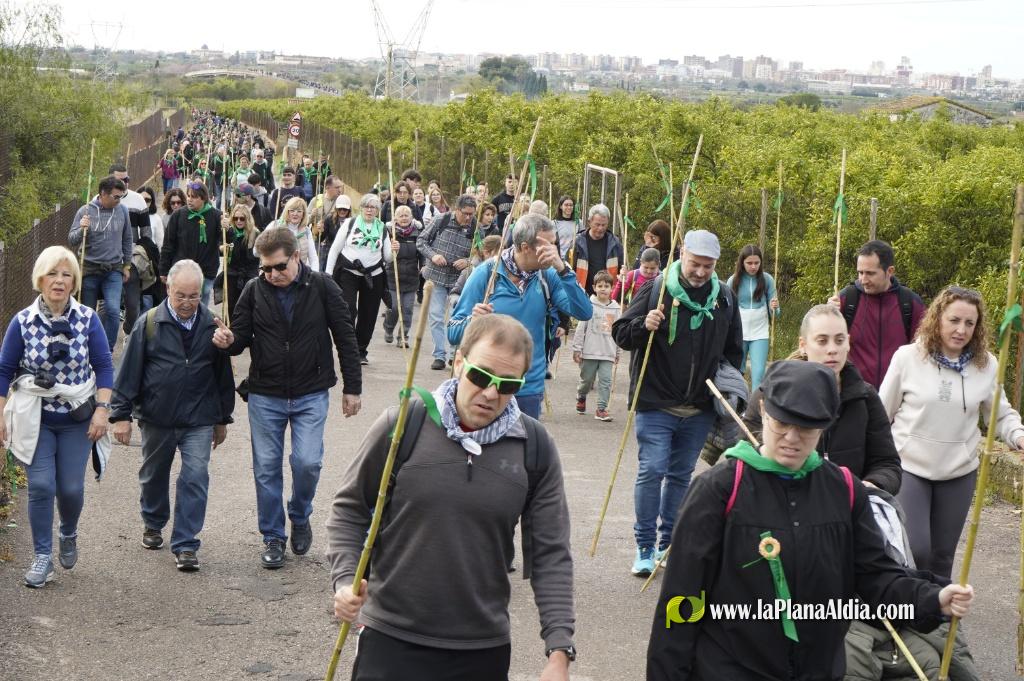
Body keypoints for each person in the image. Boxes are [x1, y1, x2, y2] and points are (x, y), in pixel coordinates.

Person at [646, 360, 975, 681]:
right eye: (781, 423)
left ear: (825, 424)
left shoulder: (845, 491)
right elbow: (681, 598)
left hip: (817, 668)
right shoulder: (717, 489)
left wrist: (932, 598)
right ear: (764, 412)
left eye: (806, 426)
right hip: (729, 667)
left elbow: (876, 577)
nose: (791, 437)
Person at [327, 314, 576, 681]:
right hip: (391, 638)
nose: (491, 393)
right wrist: (346, 581)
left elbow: (551, 552)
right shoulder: (402, 425)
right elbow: (349, 510)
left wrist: (559, 652)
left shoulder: (534, 447)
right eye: (480, 376)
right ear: (459, 362)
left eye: (508, 384)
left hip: (480, 649)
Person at [212, 227, 362, 569]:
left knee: (307, 462)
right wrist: (226, 340)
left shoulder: (323, 287)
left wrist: (353, 388)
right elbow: (240, 339)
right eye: (265, 268)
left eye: (278, 266)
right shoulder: (253, 290)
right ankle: (273, 536)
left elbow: (345, 337)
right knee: (266, 468)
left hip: (311, 392)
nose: (272, 274)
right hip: (266, 394)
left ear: (296, 256)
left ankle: (300, 513)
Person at [611, 229, 742, 576]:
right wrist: (644, 324)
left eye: (708, 266)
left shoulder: (724, 298)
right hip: (655, 401)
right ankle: (644, 546)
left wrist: (727, 384)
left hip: (698, 407)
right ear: (683, 254)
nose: (700, 272)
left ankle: (668, 544)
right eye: (696, 264)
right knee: (652, 470)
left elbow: (734, 351)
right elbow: (621, 333)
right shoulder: (657, 289)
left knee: (681, 475)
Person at [879, 286, 1024, 578]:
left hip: (958, 471)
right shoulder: (907, 358)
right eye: (954, 320)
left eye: (969, 323)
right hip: (910, 467)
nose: (961, 329)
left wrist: (1018, 435)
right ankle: (909, 609)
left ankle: (941, 619)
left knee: (942, 555)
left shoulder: (986, 365)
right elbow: (882, 413)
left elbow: (999, 415)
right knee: (917, 548)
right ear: (937, 318)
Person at [110, 260, 234, 572]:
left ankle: (186, 543)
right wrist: (120, 415)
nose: (188, 303)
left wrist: (222, 419)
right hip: (157, 416)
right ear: (168, 290)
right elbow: (128, 374)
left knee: (195, 476)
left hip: (199, 417)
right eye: (181, 296)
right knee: (154, 474)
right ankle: (153, 521)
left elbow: (222, 377)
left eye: (194, 296)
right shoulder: (149, 323)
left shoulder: (212, 325)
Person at [0, 246, 114, 587]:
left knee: (70, 489)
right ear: (40, 278)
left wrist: (102, 411)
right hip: (37, 418)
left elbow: (105, 366)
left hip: (78, 419)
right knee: (39, 485)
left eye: (66, 274)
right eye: (53, 273)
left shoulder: (88, 319)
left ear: (75, 281)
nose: (59, 281)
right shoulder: (22, 322)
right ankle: (42, 557)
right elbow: (4, 370)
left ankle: (68, 530)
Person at [743, 304, 903, 494]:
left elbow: (887, 463)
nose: (832, 349)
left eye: (839, 340)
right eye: (822, 341)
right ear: (803, 345)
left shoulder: (865, 398)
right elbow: (743, 454)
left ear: (848, 343)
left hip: (846, 508)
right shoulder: (771, 393)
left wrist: (873, 485)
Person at [449, 213, 592, 419]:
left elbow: (584, 312)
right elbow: (453, 332)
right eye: (548, 245)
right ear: (525, 247)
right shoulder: (486, 274)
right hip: (487, 388)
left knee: (521, 450)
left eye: (555, 244)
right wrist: (473, 322)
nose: (554, 251)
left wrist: (562, 268)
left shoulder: (548, 275)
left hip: (528, 389)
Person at [829, 240, 926, 389]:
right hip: (854, 397)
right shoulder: (846, 300)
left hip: (897, 399)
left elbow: (925, 352)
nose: (863, 280)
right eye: (860, 272)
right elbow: (824, 342)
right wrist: (828, 314)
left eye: (870, 273)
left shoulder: (910, 303)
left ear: (890, 271)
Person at [324, 193, 393, 365]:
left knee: (368, 314)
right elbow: (334, 249)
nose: (370, 210)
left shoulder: (383, 228)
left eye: (374, 207)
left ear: (378, 210)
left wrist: (394, 250)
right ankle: (348, 347)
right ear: (361, 208)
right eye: (366, 207)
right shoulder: (350, 223)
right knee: (348, 310)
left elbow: (388, 258)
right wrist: (328, 274)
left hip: (373, 275)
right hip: (348, 272)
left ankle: (361, 350)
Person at [68, 175, 133, 352]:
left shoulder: (123, 211)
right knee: (88, 312)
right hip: (89, 270)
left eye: (121, 196)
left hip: (113, 270)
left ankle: (106, 349)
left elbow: (127, 239)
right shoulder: (85, 211)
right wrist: (82, 228)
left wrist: (126, 265)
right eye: (116, 196)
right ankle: (85, 348)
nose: (119, 200)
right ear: (103, 194)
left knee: (113, 310)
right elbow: (72, 240)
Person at [418, 194, 477, 371]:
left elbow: (479, 253)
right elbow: (421, 241)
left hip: (459, 280)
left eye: (471, 214)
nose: (468, 217)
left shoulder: (475, 227)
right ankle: (439, 355)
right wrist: (433, 255)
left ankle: (454, 355)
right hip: (436, 276)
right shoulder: (440, 220)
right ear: (456, 209)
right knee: (436, 316)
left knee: (456, 317)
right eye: (465, 213)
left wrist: (468, 261)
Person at [159, 180, 223, 307]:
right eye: (188, 195)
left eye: (194, 197)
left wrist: (227, 227)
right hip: (183, 269)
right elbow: (168, 244)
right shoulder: (178, 215)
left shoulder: (216, 216)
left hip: (206, 269)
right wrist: (163, 269)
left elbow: (227, 239)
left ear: (203, 198)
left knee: (200, 302)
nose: (189, 199)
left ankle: (199, 325)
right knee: (182, 301)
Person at [726, 244, 780, 392]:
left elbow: (776, 313)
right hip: (739, 331)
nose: (753, 266)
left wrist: (774, 307)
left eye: (757, 263)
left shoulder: (767, 279)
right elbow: (727, 308)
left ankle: (755, 410)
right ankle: (738, 404)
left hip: (760, 331)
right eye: (749, 263)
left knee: (758, 374)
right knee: (737, 371)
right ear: (742, 263)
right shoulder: (733, 280)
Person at [572, 270, 621, 421]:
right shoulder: (589, 306)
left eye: (606, 286)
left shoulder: (616, 309)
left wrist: (618, 352)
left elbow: (619, 331)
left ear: (611, 288)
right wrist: (577, 348)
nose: (603, 288)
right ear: (594, 287)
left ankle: (601, 409)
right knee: (586, 380)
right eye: (600, 285)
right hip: (590, 352)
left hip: (608, 352)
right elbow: (581, 328)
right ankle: (581, 396)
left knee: (606, 382)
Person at [382, 204, 422, 347]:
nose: (404, 218)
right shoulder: (389, 232)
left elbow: (421, 252)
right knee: (393, 307)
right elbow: (383, 252)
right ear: (395, 218)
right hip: (393, 276)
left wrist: (423, 266)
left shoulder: (417, 232)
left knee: (407, 309)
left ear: (411, 217)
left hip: (411, 277)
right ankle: (388, 327)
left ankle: (403, 336)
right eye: (401, 215)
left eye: (407, 215)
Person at [570, 204, 624, 296]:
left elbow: (621, 268)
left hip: (607, 295)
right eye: (597, 224)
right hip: (582, 293)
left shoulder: (615, 243)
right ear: (589, 222)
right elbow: (570, 269)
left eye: (604, 225)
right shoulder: (578, 242)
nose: (600, 228)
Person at [221, 203, 262, 320]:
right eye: (235, 218)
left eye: (242, 218)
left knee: (246, 307)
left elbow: (255, 257)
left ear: (247, 219)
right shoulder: (229, 232)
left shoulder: (255, 233)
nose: (239, 221)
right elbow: (219, 247)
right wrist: (223, 247)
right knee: (230, 305)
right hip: (232, 274)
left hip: (248, 276)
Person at [274, 196, 320, 271]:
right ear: (287, 212)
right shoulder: (276, 226)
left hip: (299, 274)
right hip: (280, 272)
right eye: (292, 210)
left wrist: (315, 275)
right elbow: (257, 251)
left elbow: (313, 258)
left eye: (299, 211)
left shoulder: (307, 231)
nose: (295, 214)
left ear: (303, 214)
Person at [320, 195, 352, 270]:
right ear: (336, 209)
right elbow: (321, 238)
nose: (342, 211)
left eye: (345, 209)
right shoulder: (329, 219)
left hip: (345, 256)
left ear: (349, 210)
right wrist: (320, 231)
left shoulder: (352, 222)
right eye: (340, 209)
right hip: (330, 253)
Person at [307, 175, 344, 240]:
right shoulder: (317, 200)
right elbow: (305, 222)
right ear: (327, 188)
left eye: (340, 187)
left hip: (334, 238)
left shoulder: (341, 201)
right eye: (337, 187)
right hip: (317, 238)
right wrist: (312, 216)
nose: (340, 190)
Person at [553, 195, 580, 260]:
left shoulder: (578, 223)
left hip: (574, 258)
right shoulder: (554, 223)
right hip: (560, 258)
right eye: (566, 205)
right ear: (560, 206)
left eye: (571, 205)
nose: (569, 207)